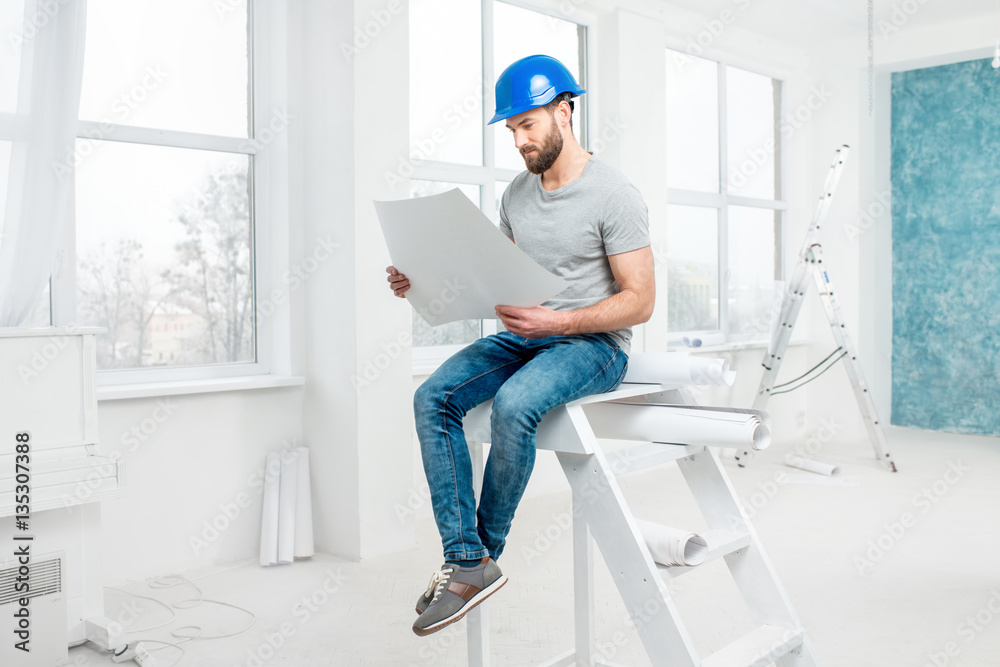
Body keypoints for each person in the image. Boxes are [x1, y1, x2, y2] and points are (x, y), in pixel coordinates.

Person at [386, 54, 654, 637]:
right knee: (433, 397)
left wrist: (557, 326)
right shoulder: (516, 193)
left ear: (564, 112)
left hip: (593, 343)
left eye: (527, 126)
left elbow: (640, 301)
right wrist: (421, 282)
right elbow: (495, 277)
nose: (518, 141)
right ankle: (468, 559)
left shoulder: (616, 195)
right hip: (523, 336)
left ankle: (475, 559)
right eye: (511, 130)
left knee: (514, 407)